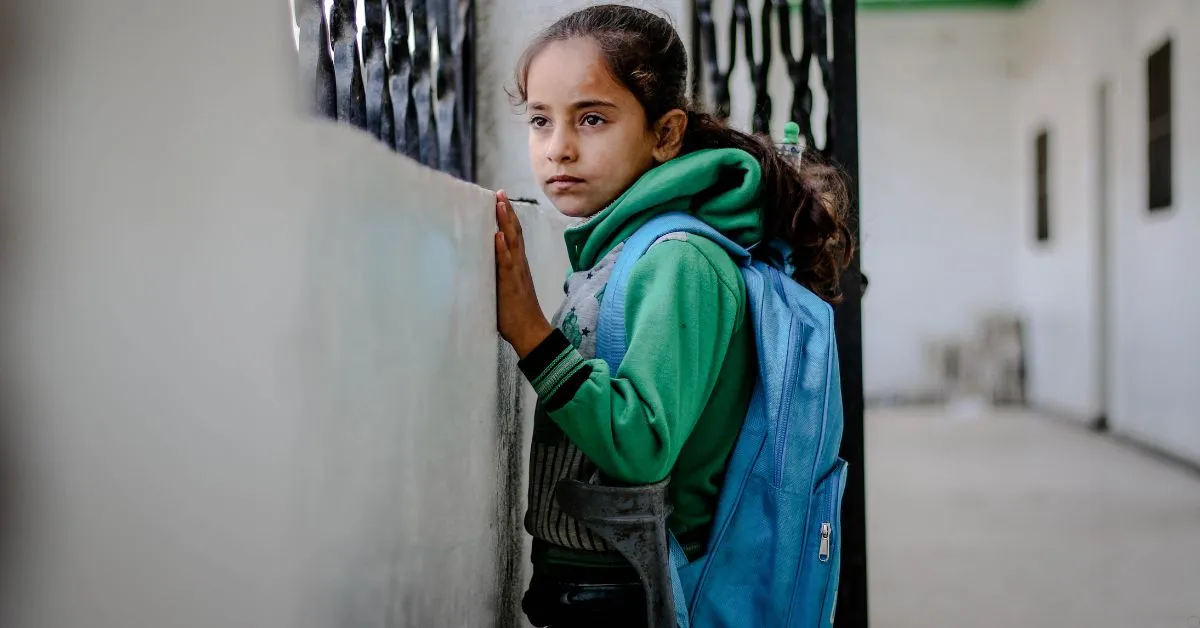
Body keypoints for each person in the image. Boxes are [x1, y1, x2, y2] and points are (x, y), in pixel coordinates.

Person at [492, 5, 853, 626]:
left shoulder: (681, 259)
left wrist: (529, 330)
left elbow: (643, 444)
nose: (560, 148)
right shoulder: (625, 248)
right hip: (588, 579)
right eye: (540, 121)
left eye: (593, 118)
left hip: (631, 591)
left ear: (664, 135)